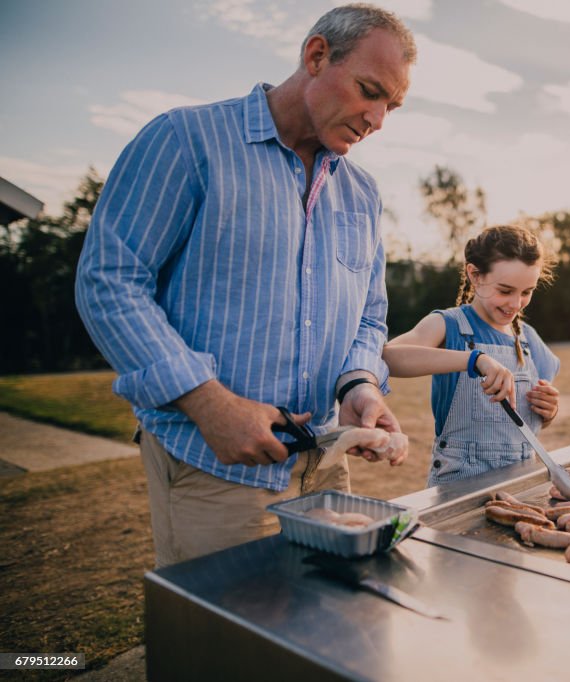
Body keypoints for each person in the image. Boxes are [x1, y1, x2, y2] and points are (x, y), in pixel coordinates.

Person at [75, 4, 415, 567]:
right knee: (225, 648)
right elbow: (110, 282)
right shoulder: (186, 140)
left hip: (328, 465)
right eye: (369, 91)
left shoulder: (362, 192)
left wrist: (360, 385)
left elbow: (369, 316)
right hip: (214, 470)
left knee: (326, 632)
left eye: (391, 106)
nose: (377, 119)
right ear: (316, 55)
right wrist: (209, 403)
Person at [383, 225, 561, 486]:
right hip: (458, 482)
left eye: (526, 292)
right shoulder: (448, 324)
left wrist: (549, 412)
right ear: (475, 275)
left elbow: (528, 424)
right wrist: (473, 360)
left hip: (520, 480)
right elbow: (387, 358)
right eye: (505, 290)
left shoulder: (528, 339)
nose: (515, 304)